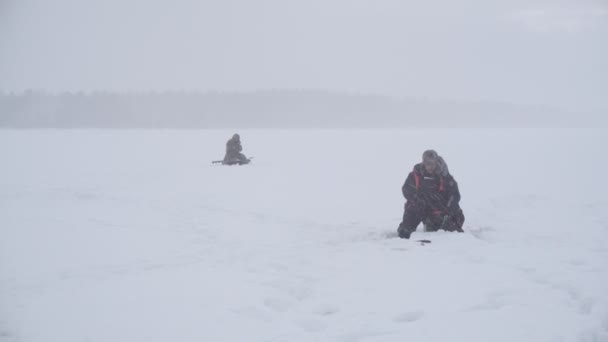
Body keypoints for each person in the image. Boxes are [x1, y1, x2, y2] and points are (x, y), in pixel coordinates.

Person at [397, 149, 465, 239]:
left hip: (439, 209)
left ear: (436, 162)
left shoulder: (445, 176)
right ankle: (406, 228)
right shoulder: (415, 175)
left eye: (432, 163)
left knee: (451, 231)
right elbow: (406, 190)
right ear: (423, 163)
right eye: (427, 164)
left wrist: (448, 209)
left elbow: (454, 195)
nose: (430, 167)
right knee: (405, 230)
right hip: (420, 207)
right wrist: (417, 200)